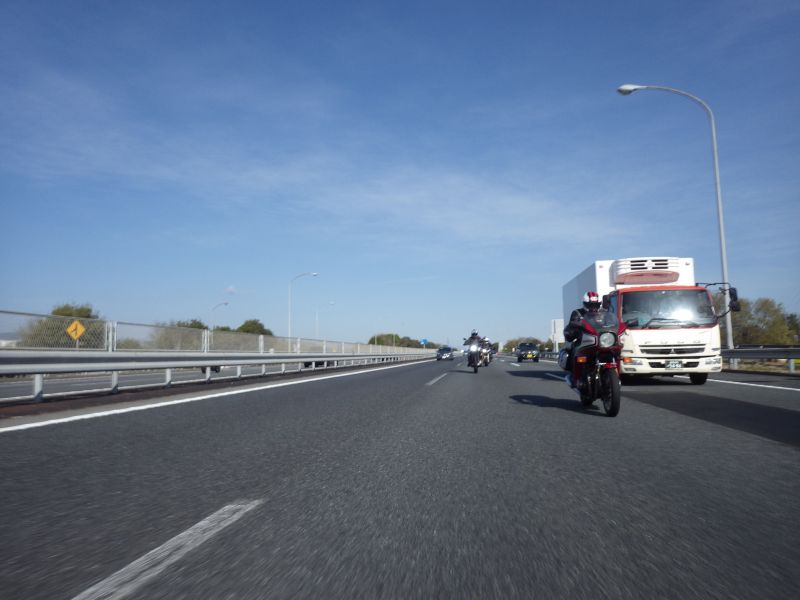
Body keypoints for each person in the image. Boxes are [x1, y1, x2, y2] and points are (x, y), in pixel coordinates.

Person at [562, 291, 602, 385]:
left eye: (596, 305)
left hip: (600, 340)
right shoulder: (577, 313)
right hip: (583, 339)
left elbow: (611, 321)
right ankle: (575, 378)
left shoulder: (603, 313)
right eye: (590, 305)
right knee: (576, 350)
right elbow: (573, 323)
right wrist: (576, 323)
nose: (593, 307)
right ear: (585, 304)